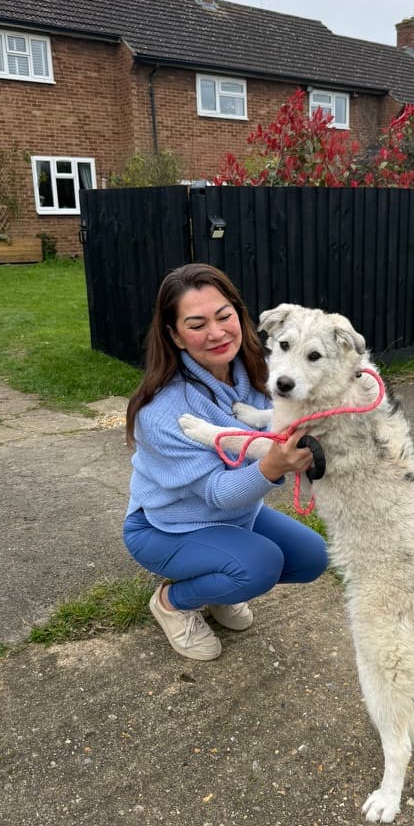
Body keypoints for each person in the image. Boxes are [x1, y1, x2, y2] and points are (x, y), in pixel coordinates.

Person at [123, 263, 328, 661]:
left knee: (311, 557)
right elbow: (218, 493)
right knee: (260, 564)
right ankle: (172, 602)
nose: (216, 333)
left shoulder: (260, 375)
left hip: (237, 517)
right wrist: (274, 464)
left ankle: (221, 585)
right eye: (197, 324)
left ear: (239, 314)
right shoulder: (162, 411)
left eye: (224, 316)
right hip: (166, 526)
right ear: (175, 336)